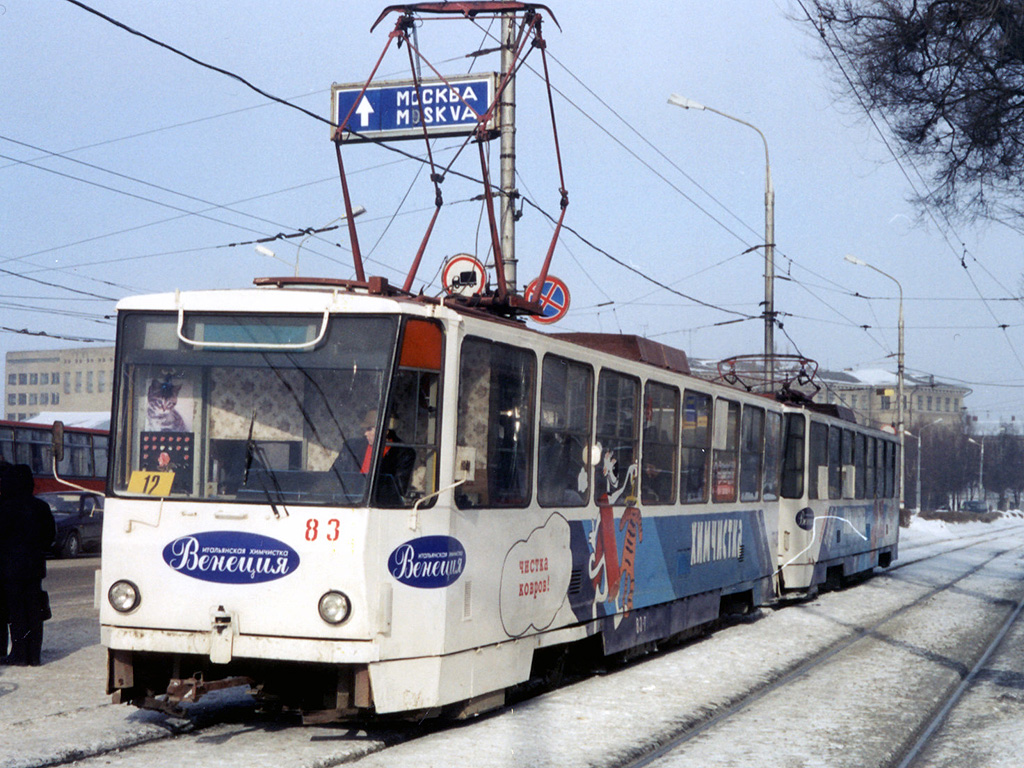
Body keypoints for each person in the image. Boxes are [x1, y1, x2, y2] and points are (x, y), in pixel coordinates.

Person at [0, 464, 55, 666]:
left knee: (16, 612)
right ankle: (34, 655)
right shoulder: (41, 507)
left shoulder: (4, 508)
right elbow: (50, 536)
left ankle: (19, 654)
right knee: (34, 611)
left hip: (10, 569)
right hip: (35, 568)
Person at [332, 409, 415, 505]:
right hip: (346, 502)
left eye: (369, 429)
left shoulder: (403, 452)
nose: (365, 433)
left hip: (379, 506)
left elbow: (399, 489)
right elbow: (333, 475)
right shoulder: (352, 447)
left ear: (385, 431)